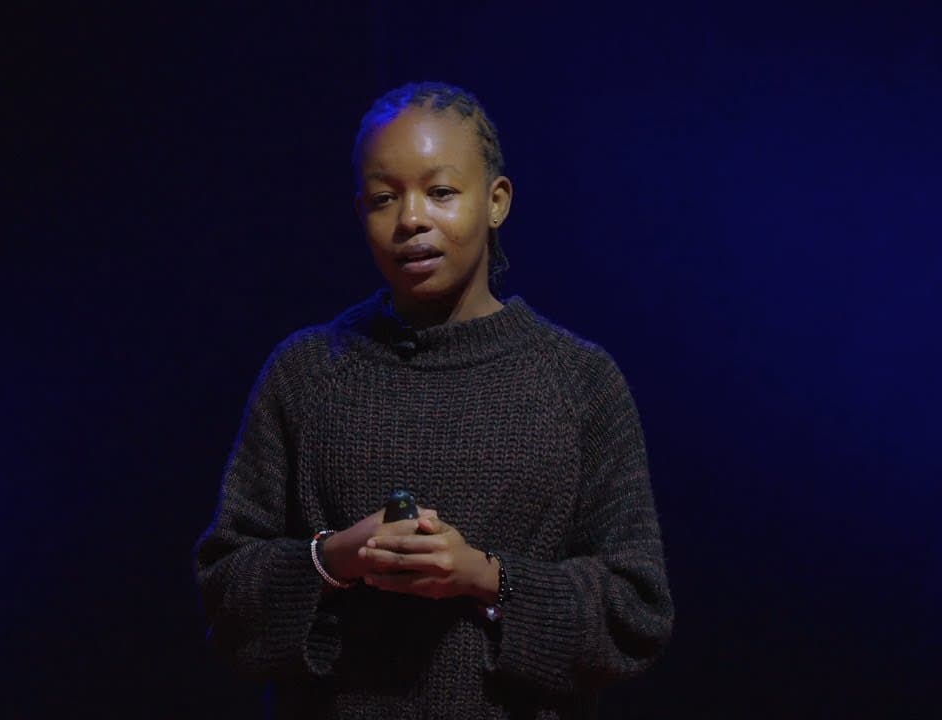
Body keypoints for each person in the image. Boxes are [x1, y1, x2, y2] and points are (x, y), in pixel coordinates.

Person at [193, 81, 673, 719]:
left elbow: (635, 615)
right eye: (384, 198)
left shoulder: (578, 382)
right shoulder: (307, 373)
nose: (411, 217)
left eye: (441, 191)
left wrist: (484, 576)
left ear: (496, 201)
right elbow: (226, 601)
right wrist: (337, 556)